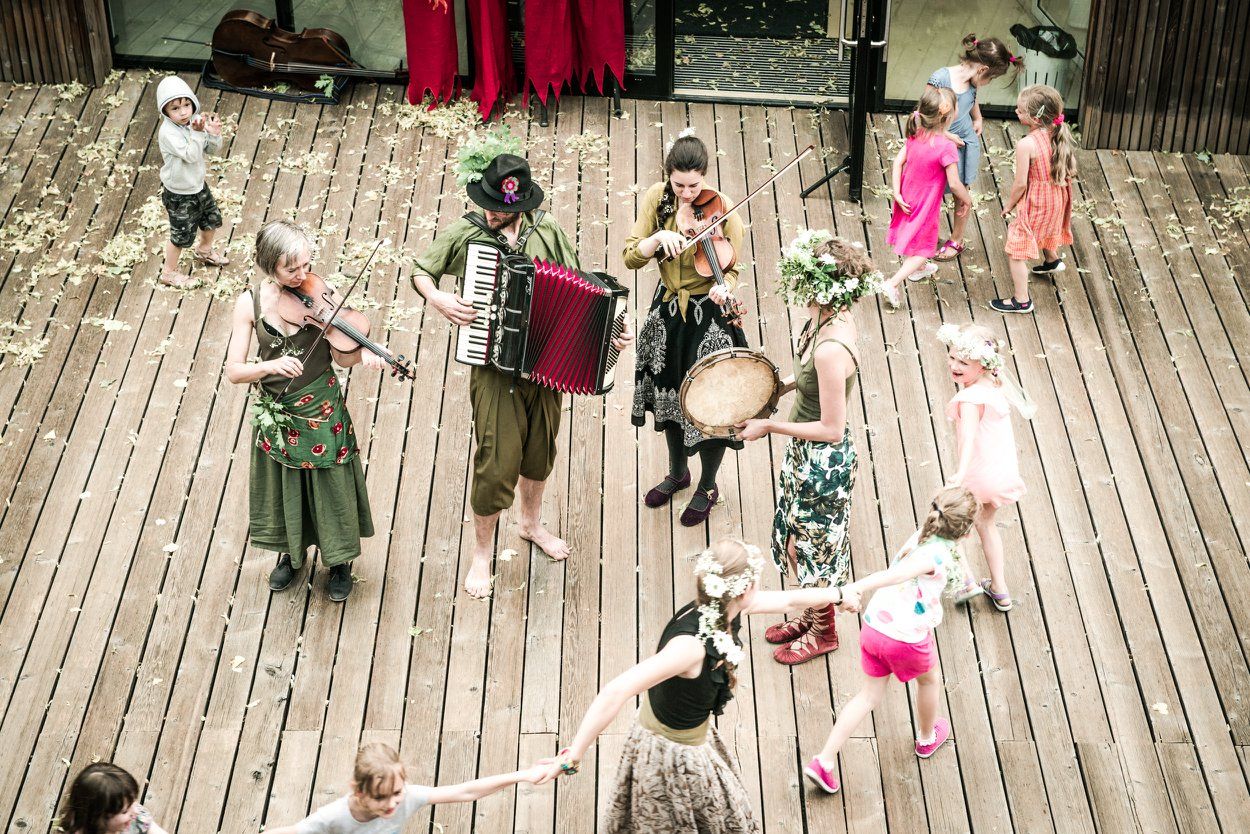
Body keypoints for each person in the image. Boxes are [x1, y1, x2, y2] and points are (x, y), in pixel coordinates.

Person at [411, 152, 632, 598]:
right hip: (493, 368)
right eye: (488, 204)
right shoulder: (467, 234)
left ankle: (530, 525)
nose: (491, 214)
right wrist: (438, 298)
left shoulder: (546, 230)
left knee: (539, 453)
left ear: (521, 205)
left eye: (500, 208)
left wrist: (614, 331)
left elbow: (586, 289)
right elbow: (421, 271)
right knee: (496, 464)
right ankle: (481, 554)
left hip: (548, 364)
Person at [533, 538, 857, 832]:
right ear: (745, 590)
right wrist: (572, 755)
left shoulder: (722, 606)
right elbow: (615, 691)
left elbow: (788, 601)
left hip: (693, 734)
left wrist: (839, 595)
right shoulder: (689, 648)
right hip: (672, 754)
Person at [737, 231, 881, 666]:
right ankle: (812, 613)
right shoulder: (824, 318)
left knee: (809, 550)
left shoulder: (831, 350)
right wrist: (775, 390)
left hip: (822, 463)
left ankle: (825, 632)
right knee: (796, 539)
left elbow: (833, 429)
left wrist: (769, 426)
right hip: (805, 450)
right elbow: (808, 383)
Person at [224, 221, 386, 602]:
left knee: (332, 486)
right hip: (279, 412)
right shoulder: (249, 303)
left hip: (322, 407)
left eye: (305, 265)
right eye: (290, 269)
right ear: (269, 266)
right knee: (287, 485)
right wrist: (270, 366)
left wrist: (367, 354)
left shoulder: (318, 293)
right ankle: (291, 554)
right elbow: (234, 371)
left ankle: (340, 560)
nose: (301, 275)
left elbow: (342, 356)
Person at [803, 486, 979, 795]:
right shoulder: (935, 555)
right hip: (906, 639)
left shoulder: (926, 532)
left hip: (874, 628)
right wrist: (856, 587)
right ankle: (927, 738)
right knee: (929, 681)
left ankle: (824, 760)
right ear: (965, 532)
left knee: (868, 697)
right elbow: (893, 575)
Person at [625, 131, 747, 526]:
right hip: (667, 311)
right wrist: (657, 238)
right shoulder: (656, 200)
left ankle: (707, 486)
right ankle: (678, 473)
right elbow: (630, 256)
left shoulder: (723, 210)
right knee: (669, 396)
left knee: (712, 406)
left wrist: (724, 287)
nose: (688, 193)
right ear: (669, 176)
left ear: (705, 176)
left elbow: (733, 269)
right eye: (679, 185)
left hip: (708, 317)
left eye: (694, 185)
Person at [939, 322, 1035, 611]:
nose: (954, 365)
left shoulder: (969, 399)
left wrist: (960, 474)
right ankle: (1000, 589)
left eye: (963, 362)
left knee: (947, 522)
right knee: (986, 524)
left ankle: (966, 581)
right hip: (1001, 471)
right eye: (952, 357)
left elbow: (969, 436)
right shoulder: (995, 386)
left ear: (983, 365)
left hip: (977, 473)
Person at [261, 741, 544, 833]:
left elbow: (466, 791)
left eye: (397, 792)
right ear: (359, 791)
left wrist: (523, 775)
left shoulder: (408, 796)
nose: (392, 804)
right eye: (380, 797)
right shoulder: (333, 816)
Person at [927, 34, 1021, 262]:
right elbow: (923, 114)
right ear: (983, 69)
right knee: (932, 191)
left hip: (963, 146)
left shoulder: (972, 82)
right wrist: (946, 135)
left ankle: (956, 239)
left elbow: (972, 99)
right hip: (939, 142)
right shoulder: (940, 79)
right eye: (992, 78)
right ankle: (928, 234)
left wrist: (978, 118)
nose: (989, 82)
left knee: (961, 193)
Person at [881, 87, 973, 308]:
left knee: (915, 234)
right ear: (948, 115)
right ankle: (893, 283)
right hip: (926, 202)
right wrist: (968, 200)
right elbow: (954, 184)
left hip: (907, 194)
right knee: (925, 248)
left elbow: (898, 162)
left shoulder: (917, 133)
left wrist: (896, 191)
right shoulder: (946, 148)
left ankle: (919, 270)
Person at [992, 84, 1077, 314]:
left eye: (1020, 110)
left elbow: (1021, 184)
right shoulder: (1058, 133)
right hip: (1057, 197)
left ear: (1036, 118)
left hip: (1037, 202)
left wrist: (1009, 205)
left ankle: (1021, 300)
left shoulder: (1026, 144)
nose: (1016, 112)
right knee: (1046, 228)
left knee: (1016, 249)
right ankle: (1052, 260)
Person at [155, 75, 228, 289]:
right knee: (180, 235)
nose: (183, 112)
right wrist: (197, 133)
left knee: (211, 219)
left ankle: (204, 250)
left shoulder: (194, 122)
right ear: (165, 111)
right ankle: (168, 272)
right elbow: (191, 155)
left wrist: (213, 134)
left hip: (198, 185)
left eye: (187, 105)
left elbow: (211, 151)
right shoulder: (168, 133)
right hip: (179, 193)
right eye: (175, 108)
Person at [58, 762, 168, 834]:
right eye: (124, 811)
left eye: (133, 801)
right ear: (98, 819)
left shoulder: (135, 818)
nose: (135, 811)